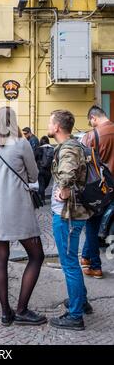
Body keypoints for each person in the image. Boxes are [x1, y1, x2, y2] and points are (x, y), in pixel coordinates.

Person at [0, 107, 47, 327]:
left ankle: (5, 313)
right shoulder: (21, 143)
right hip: (17, 207)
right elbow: (34, 174)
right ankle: (21, 309)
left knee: (0, 258)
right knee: (36, 256)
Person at [48, 109, 93, 331]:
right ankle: (81, 301)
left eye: (50, 122)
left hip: (67, 214)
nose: (49, 125)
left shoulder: (68, 148)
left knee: (69, 264)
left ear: (57, 127)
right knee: (71, 261)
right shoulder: (76, 145)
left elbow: (67, 172)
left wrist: (64, 189)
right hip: (75, 213)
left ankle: (75, 316)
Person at [81, 105, 114, 279]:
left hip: (100, 188)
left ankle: (95, 266)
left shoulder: (91, 136)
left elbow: (83, 165)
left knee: (92, 226)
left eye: (91, 122)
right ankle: (86, 257)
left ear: (94, 118)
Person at [34, 136, 54, 204]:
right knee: (45, 184)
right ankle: (41, 197)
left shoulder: (38, 149)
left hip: (40, 169)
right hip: (48, 170)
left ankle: (42, 199)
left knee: (41, 184)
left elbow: (34, 159)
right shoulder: (52, 149)